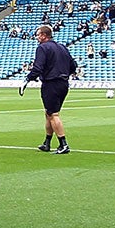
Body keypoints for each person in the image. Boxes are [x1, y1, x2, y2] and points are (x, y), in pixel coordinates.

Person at [23, 23, 78, 154]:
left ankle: (63, 144)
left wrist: (28, 78)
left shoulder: (42, 48)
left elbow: (38, 67)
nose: (36, 37)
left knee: (53, 114)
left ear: (43, 35)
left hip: (51, 83)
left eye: (38, 35)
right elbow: (73, 66)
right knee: (49, 113)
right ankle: (47, 142)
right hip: (63, 84)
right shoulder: (62, 47)